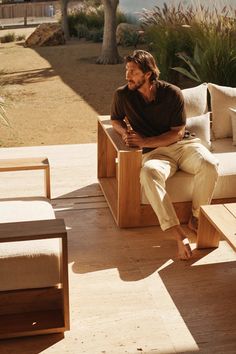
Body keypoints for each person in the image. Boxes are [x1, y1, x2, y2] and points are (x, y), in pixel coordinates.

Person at [110, 50, 219, 260]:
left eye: (132, 72)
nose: (127, 76)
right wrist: (126, 134)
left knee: (209, 164)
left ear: (148, 73)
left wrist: (143, 141)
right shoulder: (123, 95)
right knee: (148, 174)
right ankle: (178, 234)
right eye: (127, 70)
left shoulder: (172, 93)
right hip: (156, 155)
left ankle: (196, 217)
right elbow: (115, 120)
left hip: (184, 145)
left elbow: (177, 132)